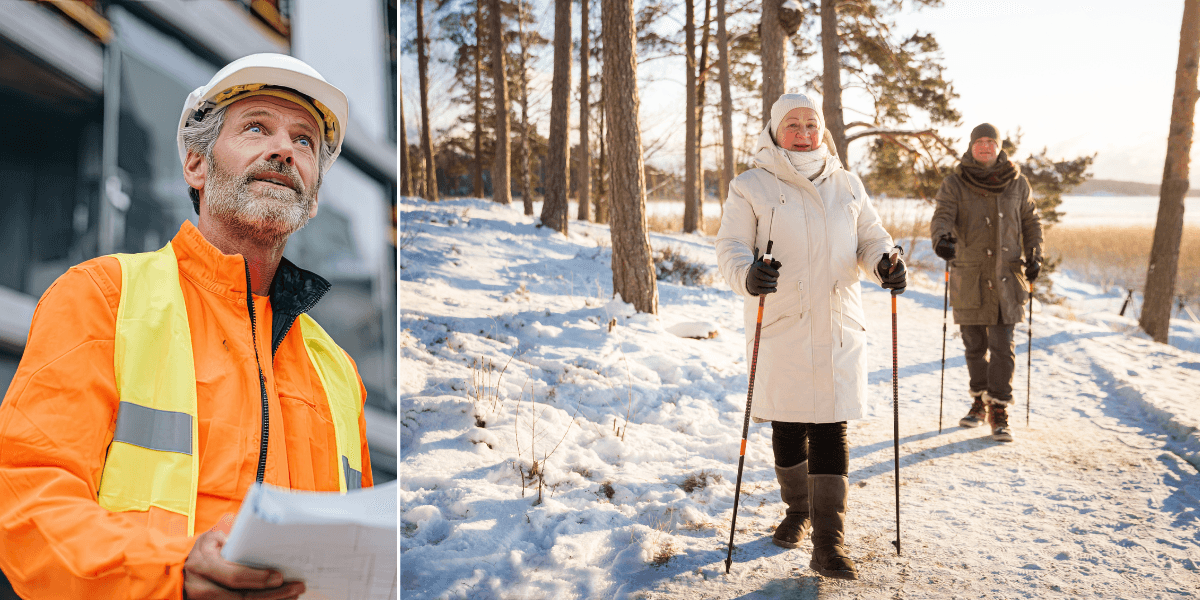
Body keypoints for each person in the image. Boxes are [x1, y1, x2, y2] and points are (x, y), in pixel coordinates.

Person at [0, 54, 373, 599]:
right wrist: (172, 572)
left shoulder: (339, 373)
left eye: (305, 141)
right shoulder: (103, 297)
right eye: (256, 127)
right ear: (196, 165)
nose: (284, 150)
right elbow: (26, 498)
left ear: (313, 198)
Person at [716, 93, 906, 581]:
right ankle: (797, 509)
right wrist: (747, 274)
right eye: (793, 124)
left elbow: (871, 237)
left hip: (839, 321)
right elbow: (731, 247)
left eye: (811, 124)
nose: (803, 132)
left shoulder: (847, 184)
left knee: (831, 425)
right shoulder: (750, 185)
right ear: (776, 131)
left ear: (822, 131)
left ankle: (828, 543)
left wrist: (885, 262)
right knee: (787, 425)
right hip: (782, 322)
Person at [930, 123, 1043, 443]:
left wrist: (1036, 254)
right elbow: (942, 215)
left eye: (989, 142)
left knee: (1003, 347)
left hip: (1006, 277)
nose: (984, 147)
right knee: (975, 346)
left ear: (998, 147)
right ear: (970, 147)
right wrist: (942, 239)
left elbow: (1031, 221)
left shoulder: (1017, 183)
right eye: (978, 142)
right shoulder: (955, 183)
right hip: (971, 276)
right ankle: (979, 401)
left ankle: (999, 408)